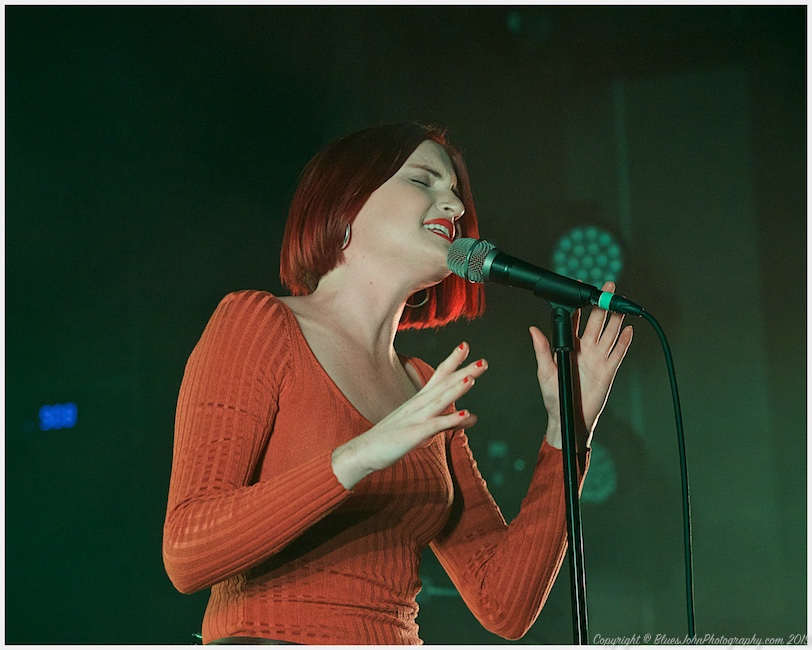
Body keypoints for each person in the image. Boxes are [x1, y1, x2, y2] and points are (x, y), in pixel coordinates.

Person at [162, 122, 633, 645]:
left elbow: (505, 605)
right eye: (422, 180)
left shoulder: (422, 386)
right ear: (347, 203)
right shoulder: (257, 324)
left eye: (454, 192)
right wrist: (359, 455)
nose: (455, 206)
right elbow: (187, 554)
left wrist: (569, 430)